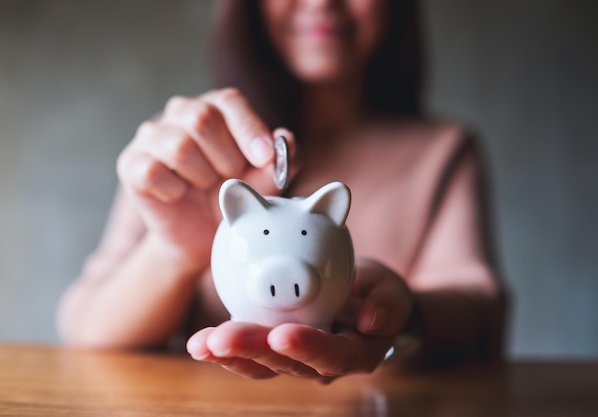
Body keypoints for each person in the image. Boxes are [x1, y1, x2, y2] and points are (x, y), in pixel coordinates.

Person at [56, 0, 506, 382]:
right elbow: (84, 325)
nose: (322, 1)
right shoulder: (192, 148)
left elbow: (481, 310)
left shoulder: (445, 150)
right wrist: (175, 253)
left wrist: (404, 315)